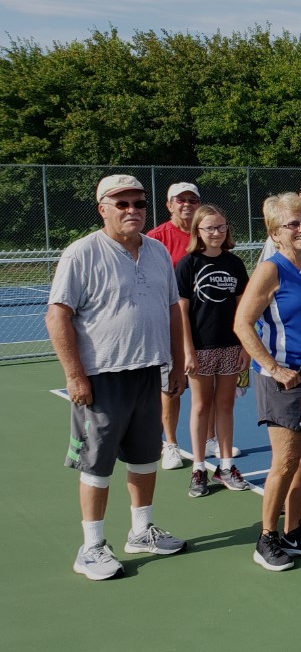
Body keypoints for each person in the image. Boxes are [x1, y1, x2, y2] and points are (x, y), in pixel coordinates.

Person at [47, 174, 187, 580]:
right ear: (102, 209)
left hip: (148, 371)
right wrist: (75, 376)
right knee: (97, 465)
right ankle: (91, 547)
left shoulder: (159, 252)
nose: (132, 211)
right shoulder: (81, 254)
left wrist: (176, 364)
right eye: (121, 204)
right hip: (101, 378)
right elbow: (58, 315)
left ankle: (141, 531)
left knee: (145, 460)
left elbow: (173, 310)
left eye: (138, 204)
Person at [234, 193, 301, 572]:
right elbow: (242, 323)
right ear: (275, 234)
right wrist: (274, 368)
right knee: (285, 460)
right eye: (291, 224)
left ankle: (294, 530)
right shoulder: (270, 269)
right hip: (283, 382)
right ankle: (267, 538)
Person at [176, 204, 251, 498]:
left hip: (230, 347)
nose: (216, 233)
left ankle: (226, 466)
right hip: (200, 348)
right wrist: (188, 350)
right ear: (198, 231)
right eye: (209, 228)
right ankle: (198, 467)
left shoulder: (235, 264)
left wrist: (245, 346)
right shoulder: (187, 264)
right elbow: (181, 311)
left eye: (221, 227)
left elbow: (243, 309)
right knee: (199, 406)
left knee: (226, 406)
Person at [147, 182, 201, 471]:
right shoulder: (156, 239)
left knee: (208, 386)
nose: (187, 205)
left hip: (205, 325)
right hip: (170, 325)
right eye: (181, 200)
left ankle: (210, 439)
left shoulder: (206, 233)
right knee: (173, 387)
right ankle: (170, 444)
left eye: (193, 200)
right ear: (169, 205)